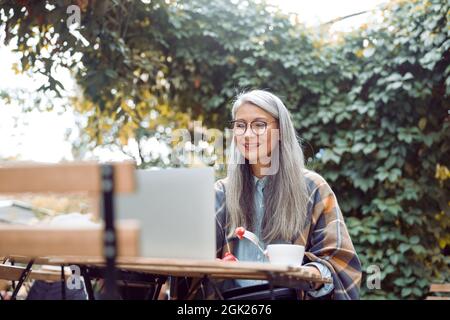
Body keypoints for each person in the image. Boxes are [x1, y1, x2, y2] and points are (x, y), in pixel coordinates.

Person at [209, 89, 361, 300]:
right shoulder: (220, 193)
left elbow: (340, 263)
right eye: (240, 125)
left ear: (280, 131)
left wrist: (308, 273)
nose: (248, 134)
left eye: (260, 125)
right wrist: (212, 269)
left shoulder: (313, 188)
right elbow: (193, 265)